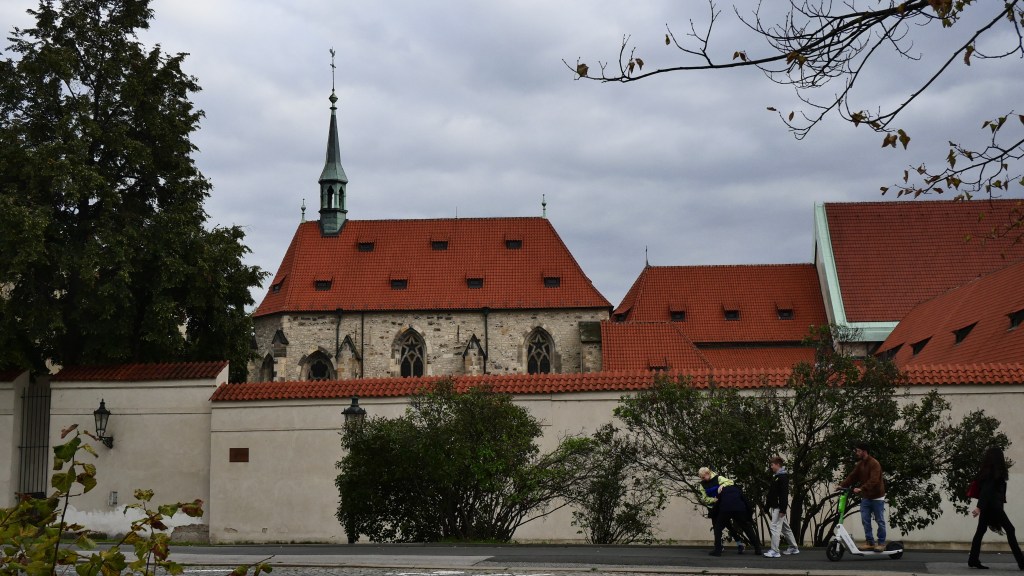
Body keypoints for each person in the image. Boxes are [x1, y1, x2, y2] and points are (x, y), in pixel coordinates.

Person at [967, 446, 1024, 570]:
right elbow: (986, 491)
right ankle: (1022, 562)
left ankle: (973, 559)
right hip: (994, 506)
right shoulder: (994, 472)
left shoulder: (985, 471)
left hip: (988, 506)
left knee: (980, 531)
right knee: (1010, 529)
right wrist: (978, 507)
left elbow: (984, 490)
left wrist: (981, 507)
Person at [699, 467, 762, 556]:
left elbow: (730, 482)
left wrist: (722, 487)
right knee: (746, 527)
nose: (702, 479)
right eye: (701, 477)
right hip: (726, 506)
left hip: (723, 507)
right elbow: (705, 498)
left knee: (718, 528)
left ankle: (719, 550)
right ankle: (757, 548)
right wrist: (749, 515)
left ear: (708, 473)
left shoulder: (720, 479)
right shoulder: (736, 490)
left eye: (703, 477)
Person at [838, 441, 887, 552]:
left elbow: (874, 480)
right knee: (865, 520)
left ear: (864, 452)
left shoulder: (874, 464)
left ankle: (881, 543)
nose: (857, 453)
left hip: (877, 497)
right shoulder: (860, 464)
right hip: (866, 497)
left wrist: (861, 488)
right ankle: (870, 542)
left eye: (858, 451)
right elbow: (852, 476)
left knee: (880, 520)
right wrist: (841, 485)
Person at [763, 456, 800, 558]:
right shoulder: (777, 477)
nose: (771, 467)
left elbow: (784, 494)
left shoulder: (782, 478)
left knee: (774, 527)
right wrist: (767, 507)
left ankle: (775, 551)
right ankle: (794, 547)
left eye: (772, 465)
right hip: (777, 507)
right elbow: (771, 494)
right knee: (785, 528)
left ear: (778, 465)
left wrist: (783, 509)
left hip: (778, 507)